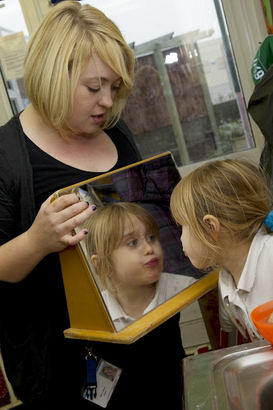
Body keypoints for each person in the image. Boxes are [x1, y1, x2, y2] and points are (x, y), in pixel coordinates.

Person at [0, 2, 186, 409]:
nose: (106, 102)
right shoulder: (7, 156)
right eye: (93, 87)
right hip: (67, 369)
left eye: (115, 88)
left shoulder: (116, 133)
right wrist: (37, 240)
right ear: (53, 75)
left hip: (151, 343)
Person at [170, 159, 273, 342]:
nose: (180, 239)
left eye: (182, 227)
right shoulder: (226, 280)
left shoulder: (269, 255)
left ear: (210, 226)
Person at [85, 202, 195, 331]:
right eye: (132, 243)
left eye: (151, 237)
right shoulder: (94, 316)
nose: (149, 248)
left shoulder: (187, 289)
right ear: (102, 265)